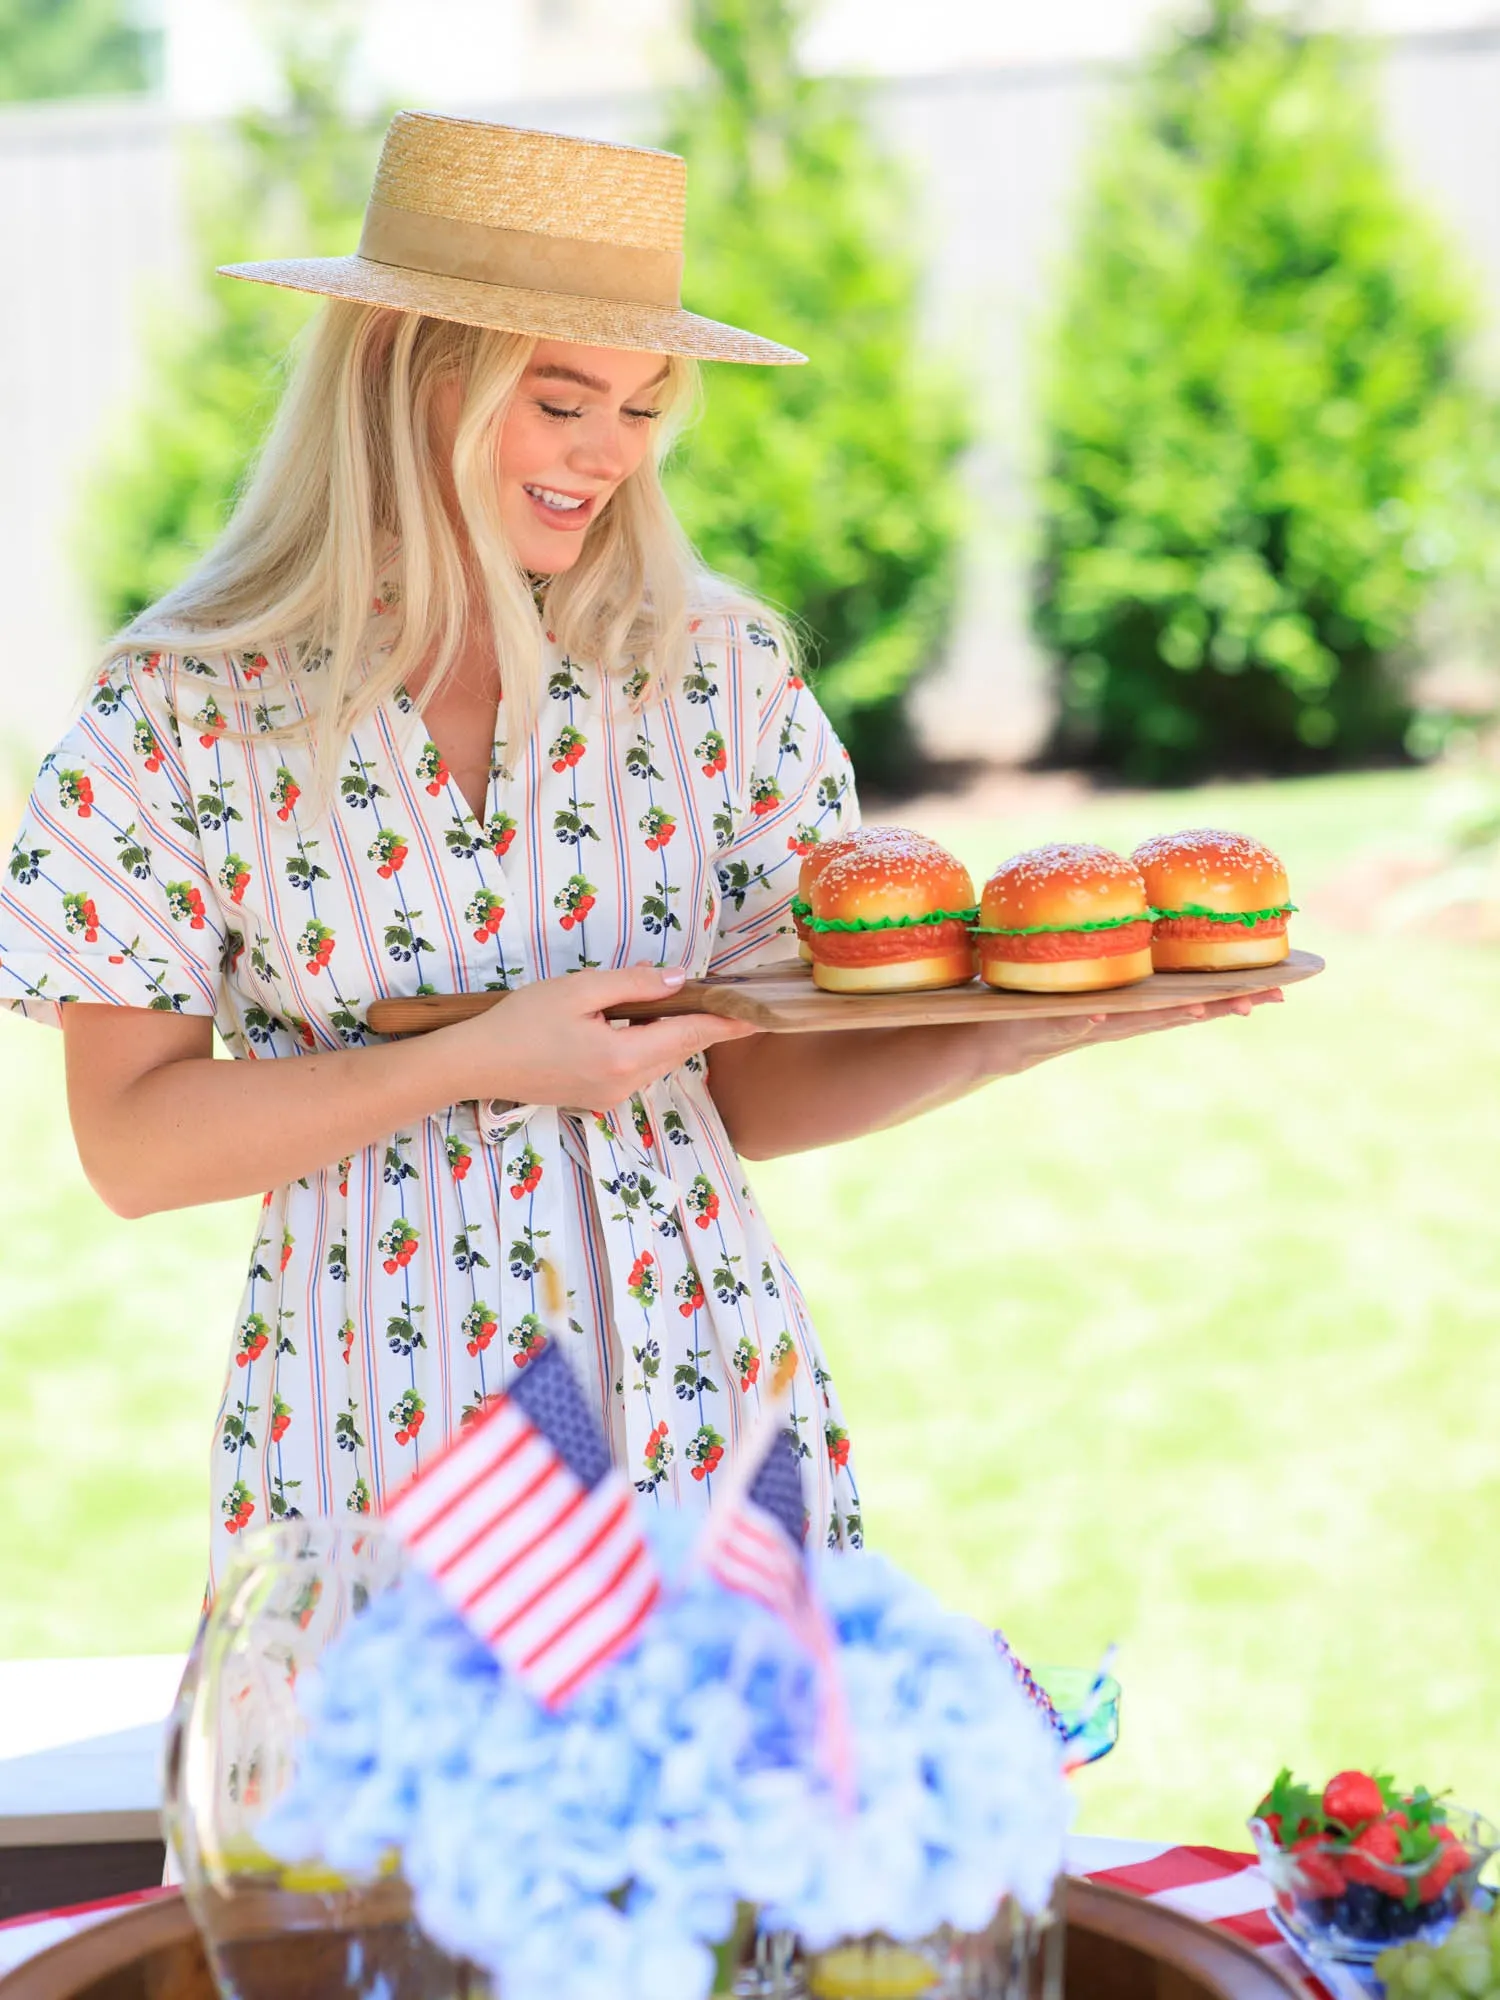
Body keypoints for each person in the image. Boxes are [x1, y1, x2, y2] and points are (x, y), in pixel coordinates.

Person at [0, 113, 1272, 1584]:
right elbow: (133, 1147)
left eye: (644, 407)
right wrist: (465, 1060)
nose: (609, 454)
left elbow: (753, 1086)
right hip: (376, 1426)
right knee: (405, 1814)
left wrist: (1015, 1031)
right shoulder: (186, 705)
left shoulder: (714, 675)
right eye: (563, 402)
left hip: (698, 1402)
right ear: (416, 375)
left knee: (721, 1796)